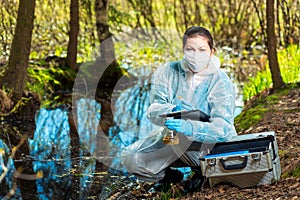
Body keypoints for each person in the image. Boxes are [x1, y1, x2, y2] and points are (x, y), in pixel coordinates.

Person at [121, 26, 237, 192]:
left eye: (202, 50)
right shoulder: (168, 72)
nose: (196, 55)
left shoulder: (220, 81)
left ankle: (203, 172)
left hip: (209, 144)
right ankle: (169, 176)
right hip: (173, 138)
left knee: (186, 139)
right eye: (190, 49)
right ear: (183, 50)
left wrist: (191, 127)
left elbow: (223, 128)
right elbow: (153, 109)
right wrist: (171, 110)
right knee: (131, 157)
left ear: (212, 52)